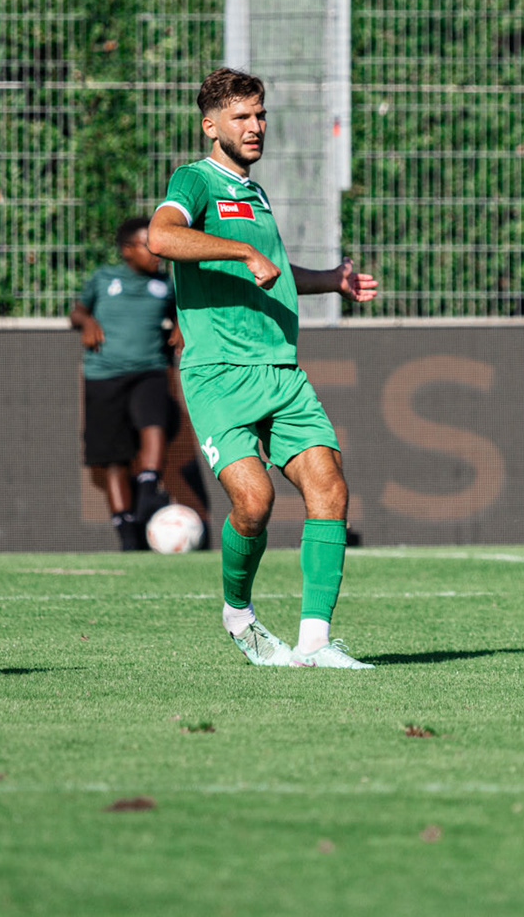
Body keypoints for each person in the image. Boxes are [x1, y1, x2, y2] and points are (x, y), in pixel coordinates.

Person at [148, 67, 378, 669]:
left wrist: (331, 280)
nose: (255, 126)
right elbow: (162, 237)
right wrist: (243, 249)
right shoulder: (194, 180)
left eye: (261, 114)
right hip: (220, 373)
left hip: (280, 369)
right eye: (241, 117)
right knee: (253, 503)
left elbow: (270, 268)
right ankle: (239, 615)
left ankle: (315, 643)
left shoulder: (255, 193)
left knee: (328, 486)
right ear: (211, 125)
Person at [72, 216, 185, 551]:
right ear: (126, 250)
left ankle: (148, 493)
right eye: (149, 245)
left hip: (149, 370)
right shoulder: (104, 279)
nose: (157, 253)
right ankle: (128, 535)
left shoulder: (166, 284)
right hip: (104, 375)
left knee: (154, 425)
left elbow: (183, 310)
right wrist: (87, 320)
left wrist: (181, 324)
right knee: (114, 459)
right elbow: (77, 311)